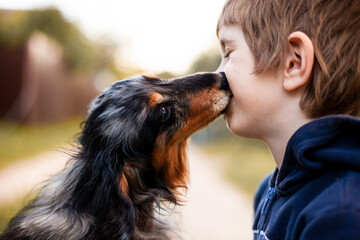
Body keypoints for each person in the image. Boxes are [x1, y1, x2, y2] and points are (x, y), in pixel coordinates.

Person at [216, 0, 360, 239]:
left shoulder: (339, 216)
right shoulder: (269, 190)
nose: (217, 75)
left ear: (294, 63)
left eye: (229, 53)